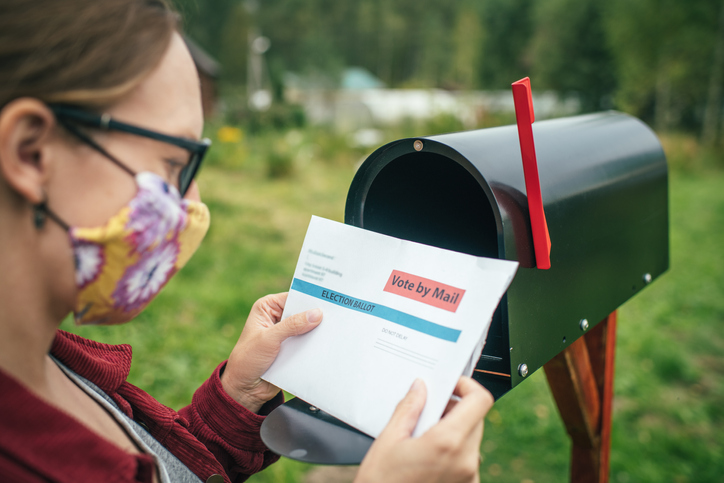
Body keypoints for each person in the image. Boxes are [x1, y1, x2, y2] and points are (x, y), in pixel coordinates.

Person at [0, 1, 495, 482]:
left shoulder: (45, 365)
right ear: (31, 152)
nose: (193, 200)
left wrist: (234, 399)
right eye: (174, 164)